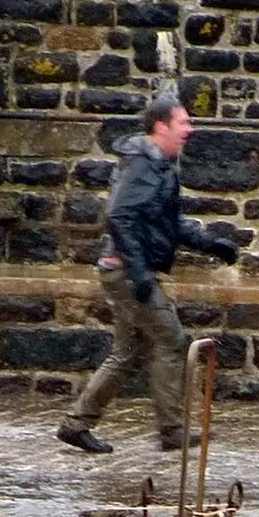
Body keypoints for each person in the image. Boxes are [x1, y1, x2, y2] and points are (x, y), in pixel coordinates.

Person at [56, 96, 239, 454]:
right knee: (173, 341)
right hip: (125, 273)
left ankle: (76, 425)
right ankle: (172, 431)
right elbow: (119, 216)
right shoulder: (143, 163)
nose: (190, 129)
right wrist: (139, 272)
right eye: (183, 123)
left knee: (126, 353)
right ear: (160, 127)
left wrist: (210, 243)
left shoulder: (159, 165)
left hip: (126, 270)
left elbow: (165, 221)